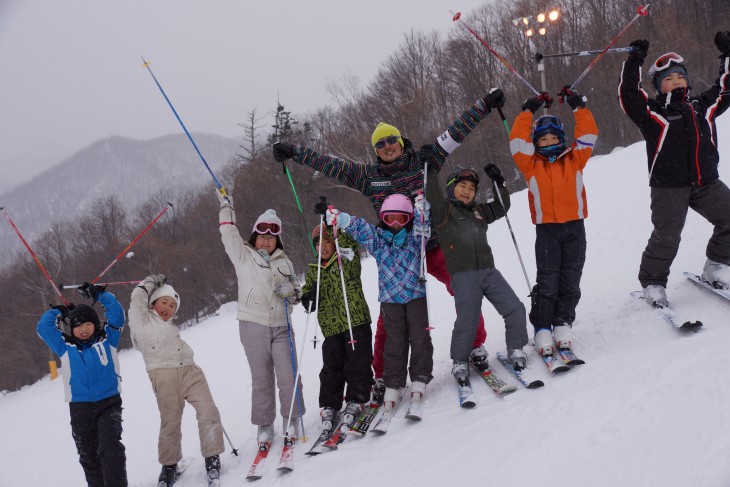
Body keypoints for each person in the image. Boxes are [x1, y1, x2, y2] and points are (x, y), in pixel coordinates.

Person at [272, 88, 506, 398]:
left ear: (401, 141)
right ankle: (381, 374)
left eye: (391, 140)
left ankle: (474, 346)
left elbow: (456, 131)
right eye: (380, 143)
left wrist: (485, 104)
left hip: (435, 245)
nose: (387, 146)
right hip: (398, 258)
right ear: (376, 150)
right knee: (390, 320)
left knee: (464, 292)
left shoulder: (425, 160)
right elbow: (329, 164)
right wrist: (294, 152)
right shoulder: (368, 177)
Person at [618, 34, 730, 302]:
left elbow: (725, 89)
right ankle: (653, 282)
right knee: (667, 236)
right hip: (669, 186)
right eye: (669, 79)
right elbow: (629, 95)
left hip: (706, 182)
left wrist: (727, 55)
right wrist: (634, 61)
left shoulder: (700, 107)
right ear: (659, 86)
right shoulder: (653, 114)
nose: (677, 82)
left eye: (680, 77)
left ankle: (716, 265)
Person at [421, 159, 529, 382]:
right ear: (451, 187)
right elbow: (431, 191)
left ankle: (516, 348)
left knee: (515, 308)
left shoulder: (479, 212)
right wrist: (429, 167)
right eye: (462, 187)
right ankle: (460, 361)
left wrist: (499, 182)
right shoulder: (443, 213)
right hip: (463, 276)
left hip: (489, 272)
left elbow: (501, 206)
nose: (466, 192)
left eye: (471, 189)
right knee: (467, 321)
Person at [325, 193, 432, 415]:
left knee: (420, 337)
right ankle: (394, 383)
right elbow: (362, 229)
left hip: (416, 296)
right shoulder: (379, 242)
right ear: (383, 219)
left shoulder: (415, 238)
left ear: (408, 219)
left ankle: (420, 377)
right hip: (390, 299)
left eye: (400, 219)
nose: (394, 224)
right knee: (394, 342)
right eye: (389, 219)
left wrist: (423, 210)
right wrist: (342, 219)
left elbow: (424, 226)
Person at [510, 88, 598, 356]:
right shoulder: (531, 164)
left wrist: (578, 108)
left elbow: (588, 135)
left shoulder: (575, 158)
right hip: (547, 229)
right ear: (536, 143)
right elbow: (517, 140)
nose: (548, 143)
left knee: (571, 278)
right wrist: (528, 111)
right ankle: (542, 328)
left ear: (561, 140)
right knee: (548, 280)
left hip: (575, 227)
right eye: (543, 140)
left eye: (553, 138)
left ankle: (562, 322)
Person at [217, 193, 305, 445]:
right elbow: (228, 232)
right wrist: (226, 207)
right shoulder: (243, 255)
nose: (267, 241)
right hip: (252, 325)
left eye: (272, 237)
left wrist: (293, 292)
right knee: (262, 379)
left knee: (289, 376)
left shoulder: (285, 262)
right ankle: (265, 425)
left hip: (281, 326)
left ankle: (293, 419)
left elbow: (296, 293)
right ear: (255, 237)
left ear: (278, 240)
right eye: (262, 236)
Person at [128, 274, 224, 486]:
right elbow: (137, 295)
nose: (168, 308)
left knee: (208, 411)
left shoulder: (170, 325)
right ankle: (169, 465)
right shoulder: (141, 320)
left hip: (190, 371)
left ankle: (212, 456)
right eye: (164, 302)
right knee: (170, 422)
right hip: (163, 375)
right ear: (153, 303)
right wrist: (153, 280)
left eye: (172, 305)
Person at [36, 283, 128, 487]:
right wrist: (56, 312)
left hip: (108, 404)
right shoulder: (65, 346)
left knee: (111, 449)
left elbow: (117, 314)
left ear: (96, 324)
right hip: (79, 408)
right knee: (88, 455)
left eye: (88, 324)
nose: (83, 329)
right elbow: (43, 328)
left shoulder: (108, 339)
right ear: (72, 329)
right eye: (77, 325)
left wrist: (101, 295)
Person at [301, 216, 373, 429]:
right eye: (318, 244)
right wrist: (308, 298)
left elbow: (350, 243)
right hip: (330, 328)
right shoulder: (314, 268)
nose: (322, 247)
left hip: (355, 322)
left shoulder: (347, 260)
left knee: (357, 362)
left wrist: (335, 227)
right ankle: (330, 404)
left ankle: (357, 397)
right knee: (331, 367)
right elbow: (307, 291)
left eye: (327, 242)